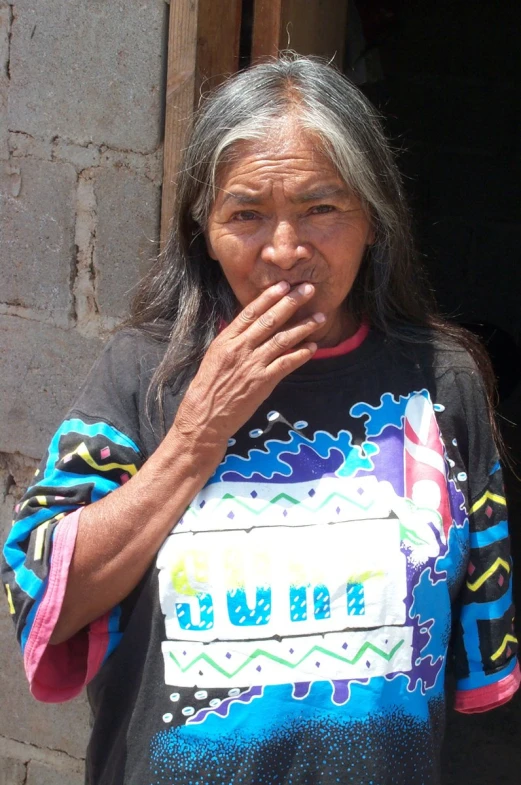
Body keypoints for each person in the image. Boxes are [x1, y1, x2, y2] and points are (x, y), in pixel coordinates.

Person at [2, 55, 519, 785]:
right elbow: (40, 589)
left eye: (320, 207)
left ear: (372, 217)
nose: (284, 250)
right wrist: (192, 441)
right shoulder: (143, 377)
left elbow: (455, 657)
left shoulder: (441, 386)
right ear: (204, 231)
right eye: (245, 213)